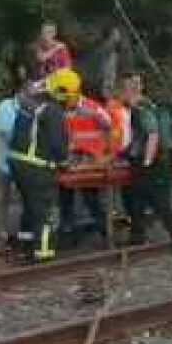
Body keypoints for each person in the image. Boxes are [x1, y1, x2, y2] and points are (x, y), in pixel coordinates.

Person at [118, 73, 172, 251]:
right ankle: (137, 236)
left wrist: (147, 161)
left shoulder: (142, 108)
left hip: (155, 162)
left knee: (160, 204)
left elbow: (153, 135)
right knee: (134, 200)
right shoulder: (136, 108)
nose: (120, 96)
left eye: (121, 91)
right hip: (145, 161)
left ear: (129, 91)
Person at [7, 68, 75, 264]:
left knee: (30, 208)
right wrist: (64, 162)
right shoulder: (53, 111)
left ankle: (26, 248)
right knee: (45, 210)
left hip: (18, 162)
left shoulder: (33, 104)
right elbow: (57, 144)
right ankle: (43, 252)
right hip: (37, 166)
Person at [59, 82, 113, 249]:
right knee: (65, 196)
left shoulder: (93, 108)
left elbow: (110, 127)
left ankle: (105, 232)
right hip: (72, 159)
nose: (66, 101)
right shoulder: (63, 110)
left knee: (91, 198)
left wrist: (105, 155)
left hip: (90, 159)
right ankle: (69, 235)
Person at [0, 65, 28, 255]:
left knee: (21, 202)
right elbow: (6, 134)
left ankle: (19, 238)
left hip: (26, 165)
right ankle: (1, 237)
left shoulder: (35, 110)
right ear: (20, 92)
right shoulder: (6, 107)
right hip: (5, 164)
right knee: (1, 201)